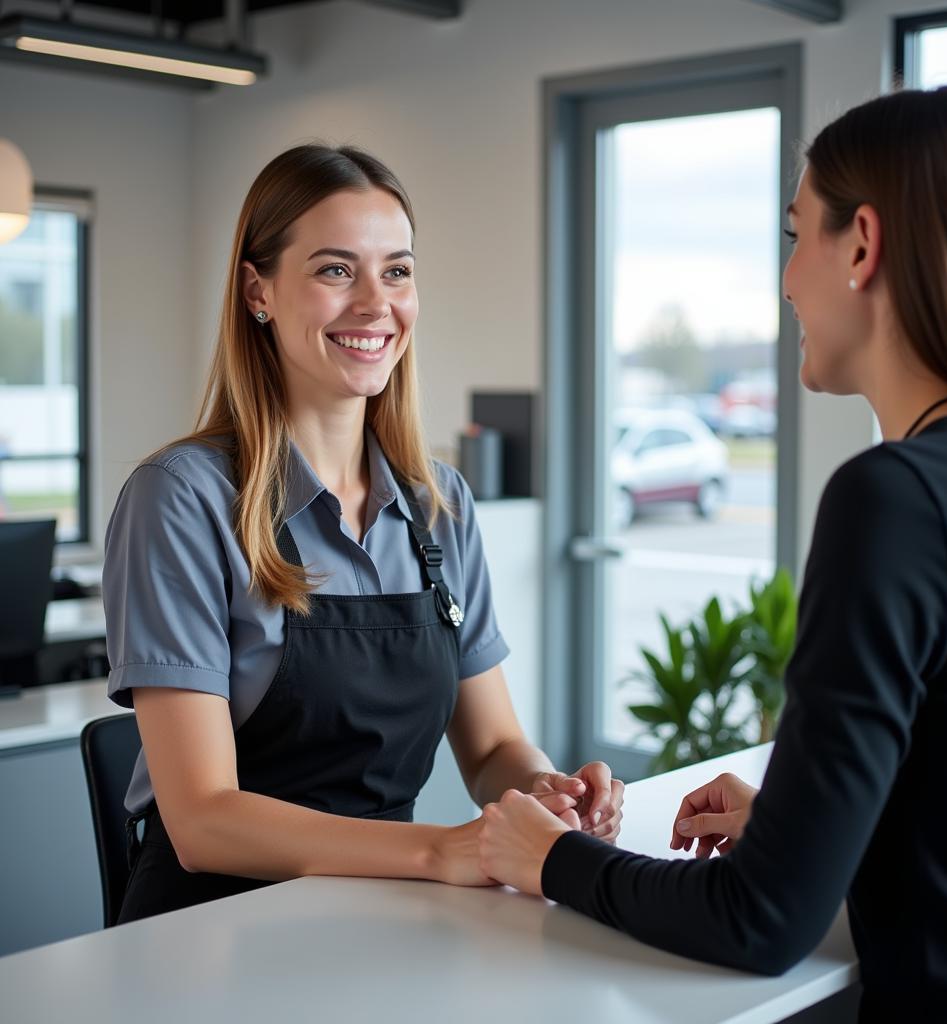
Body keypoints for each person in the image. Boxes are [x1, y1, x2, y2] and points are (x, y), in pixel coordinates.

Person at [477, 86, 947, 1021]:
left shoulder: (896, 499)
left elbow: (761, 920)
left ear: (862, 245)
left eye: (794, 236)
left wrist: (551, 860)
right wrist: (791, 824)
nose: (786, 281)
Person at [103, 144, 624, 924]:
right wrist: (438, 851)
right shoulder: (182, 498)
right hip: (208, 928)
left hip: (385, 913)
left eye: (398, 270)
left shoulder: (438, 502)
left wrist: (543, 792)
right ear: (258, 291)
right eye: (335, 270)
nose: (376, 304)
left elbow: (489, 750)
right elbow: (202, 821)